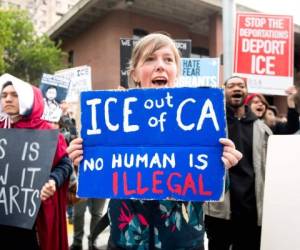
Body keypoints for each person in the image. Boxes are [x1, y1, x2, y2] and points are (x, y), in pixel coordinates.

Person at [67, 33, 243, 250]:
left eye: (168, 60)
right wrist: (83, 160)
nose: (160, 66)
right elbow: (102, 180)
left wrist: (222, 166)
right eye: (150, 59)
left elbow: (214, 190)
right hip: (127, 242)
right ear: (135, 73)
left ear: (176, 71)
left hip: (183, 243)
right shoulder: (114, 118)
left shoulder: (196, 118)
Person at [0, 74, 72, 250]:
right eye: (4, 95)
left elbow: (66, 164)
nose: (8, 99)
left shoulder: (46, 132)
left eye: (14, 94)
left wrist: (53, 180)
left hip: (33, 218)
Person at [204, 75, 273, 250]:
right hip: (219, 210)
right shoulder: (212, 125)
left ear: (246, 91)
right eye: (231, 85)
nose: (237, 88)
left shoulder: (262, 128)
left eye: (241, 86)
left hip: (251, 210)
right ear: (224, 91)